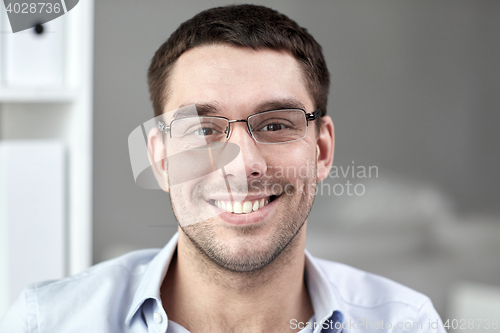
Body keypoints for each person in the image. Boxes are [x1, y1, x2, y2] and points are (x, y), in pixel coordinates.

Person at [0, 4, 446, 333]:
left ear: (322, 149)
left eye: (274, 124)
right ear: (160, 158)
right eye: (203, 129)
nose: (244, 165)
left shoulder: (406, 323)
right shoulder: (46, 323)